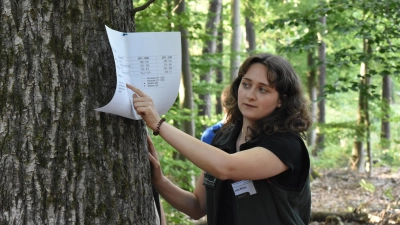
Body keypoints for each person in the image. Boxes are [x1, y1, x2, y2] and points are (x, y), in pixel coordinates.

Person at [127, 53, 313, 225]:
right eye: (246, 84)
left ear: (282, 99)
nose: (250, 95)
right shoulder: (224, 137)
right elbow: (197, 207)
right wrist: (159, 180)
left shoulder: (287, 145)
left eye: (263, 90)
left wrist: (159, 124)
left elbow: (227, 167)